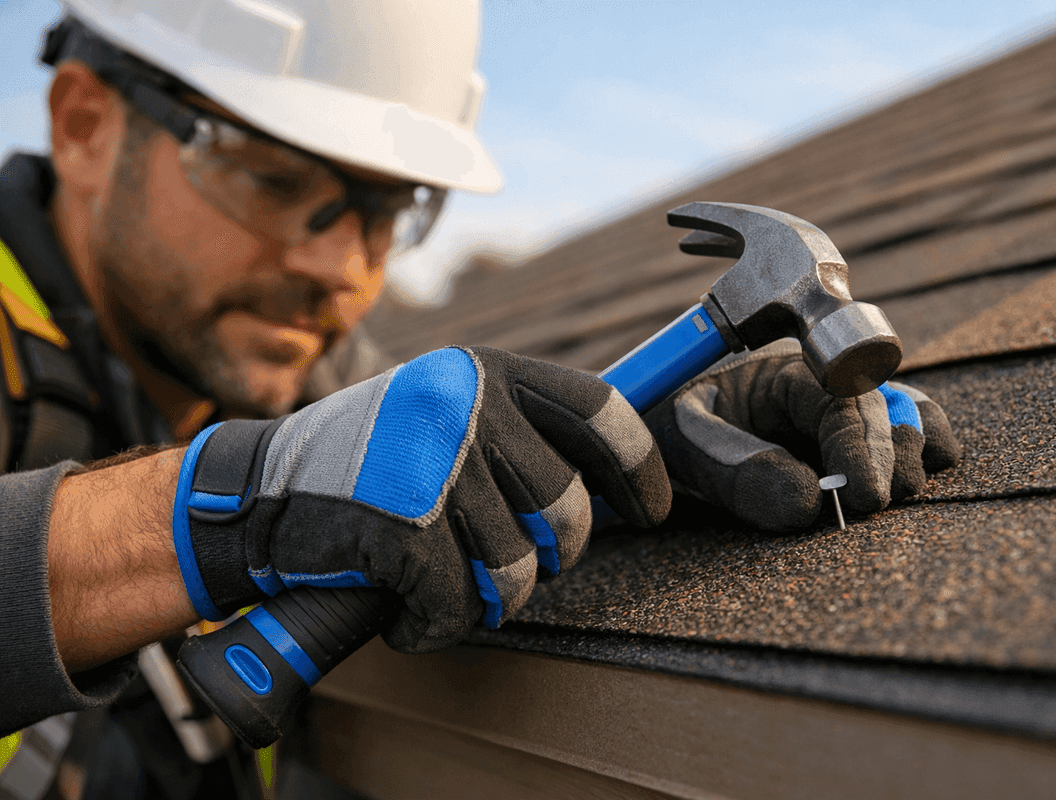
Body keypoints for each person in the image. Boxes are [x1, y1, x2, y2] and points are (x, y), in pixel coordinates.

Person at [0, 1, 960, 798]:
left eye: (389, 210)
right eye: (274, 178)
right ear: (86, 124)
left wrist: (624, 457)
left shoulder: (307, 367)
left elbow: (414, 477)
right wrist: (225, 508)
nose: (340, 267)